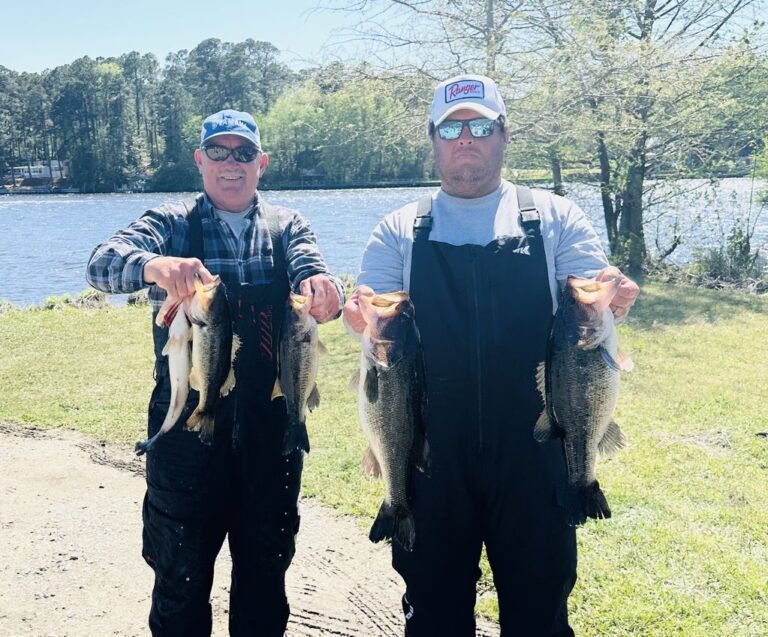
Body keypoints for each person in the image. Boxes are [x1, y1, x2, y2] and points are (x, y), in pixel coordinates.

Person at [343, 75, 639, 636]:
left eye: (480, 126)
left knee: (539, 613)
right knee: (434, 616)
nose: (466, 139)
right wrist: (360, 317)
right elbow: (372, 317)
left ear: (504, 135)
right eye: (451, 128)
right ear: (432, 139)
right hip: (431, 454)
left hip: (536, 449)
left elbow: (592, 302)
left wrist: (615, 299)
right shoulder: (400, 230)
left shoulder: (554, 217)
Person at [86, 109, 343, 636]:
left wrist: (323, 289)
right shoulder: (173, 222)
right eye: (220, 153)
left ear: (261, 163)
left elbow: (311, 267)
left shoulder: (287, 225)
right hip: (186, 425)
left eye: (244, 153)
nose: (232, 164)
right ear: (200, 161)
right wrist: (155, 266)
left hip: (270, 426)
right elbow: (101, 263)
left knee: (265, 574)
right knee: (179, 575)